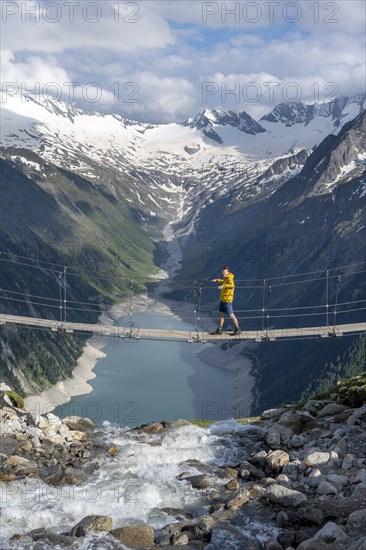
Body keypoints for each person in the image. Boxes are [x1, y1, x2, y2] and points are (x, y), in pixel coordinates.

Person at [210, 267, 241, 336]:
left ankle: (238, 329)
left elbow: (232, 285)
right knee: (221, 315)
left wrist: (223, 286)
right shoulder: (226, 278)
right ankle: (219, 330)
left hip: (227, 300)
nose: (223, 274)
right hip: (223, 299)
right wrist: (217, 280)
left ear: (228, 272)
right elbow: (224, 282)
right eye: (223, 272)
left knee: (231, 314)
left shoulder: (229, 278)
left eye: (224, 272)